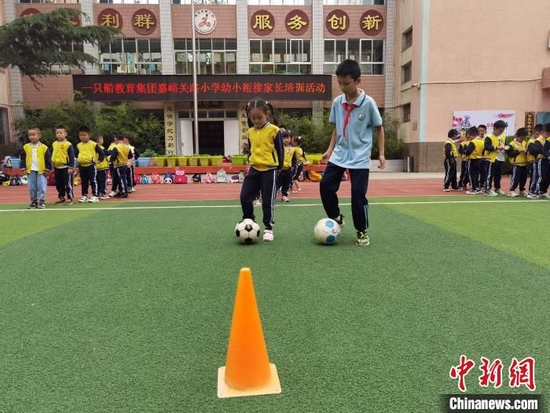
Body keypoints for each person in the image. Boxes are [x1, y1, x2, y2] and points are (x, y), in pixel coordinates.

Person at [320, 59, 386, 247]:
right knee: (325, 185)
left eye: (346, 83)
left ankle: (362, 230)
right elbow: (337, 128)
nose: (342, 87)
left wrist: (381, 153)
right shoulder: (337, 102)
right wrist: (329, 150)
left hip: (360, 156)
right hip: (340, 153)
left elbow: (379, 127)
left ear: (358, 81)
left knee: (357, 194)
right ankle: (336, 217)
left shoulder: (368, 103)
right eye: (339, 83)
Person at [239, 98, 284, 242]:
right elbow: (251, 149)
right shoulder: (250, 131)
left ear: (267, 114)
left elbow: (280, 150)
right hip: (254, 169)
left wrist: (280, 168)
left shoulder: (274, 130)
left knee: (267, 201)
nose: (257, 121)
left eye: (260, 117)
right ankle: (249, 220)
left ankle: (268, 228)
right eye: (253, 118)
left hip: (270, 170)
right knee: (245, 197)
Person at [20, 128, 52, 209]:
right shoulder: (26, 147)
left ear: (39, 136)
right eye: (30, 135)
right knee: (32, 187)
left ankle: (41, 201)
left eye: (33, 135)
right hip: (31, 170)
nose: (31, 137)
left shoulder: (44, 147)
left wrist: (48, 169)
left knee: (41, 186)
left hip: (41, 170)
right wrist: (23, 168)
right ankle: (34, 201)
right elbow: (23, 158)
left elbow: (48, 159)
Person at [75, 126, 104, 203]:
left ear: (89, 135)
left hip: (91, 165)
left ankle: (95, 195)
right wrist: (78, 162)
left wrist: (98, 161)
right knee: (84, 181)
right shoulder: (78, 145)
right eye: (80, 135)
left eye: (84, 135)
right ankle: (84, 195)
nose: (82, 137)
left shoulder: (93, 144)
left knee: (93, 181)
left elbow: (102, 153)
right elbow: (77, 154)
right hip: (82, 165)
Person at [51, 125, 75, 205]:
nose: (59, 134)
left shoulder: (68, 144)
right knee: (59, 183)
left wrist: (71, 167)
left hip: (66, 167)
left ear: (65, 134)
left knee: (67, 183)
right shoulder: (54, 144)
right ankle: (61, 197)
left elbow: (71, 156)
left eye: (61, 133)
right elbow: (53, 154)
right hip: (57, 167)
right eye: (57, 133)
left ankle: (69, 197)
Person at [484, 120, 507, 196]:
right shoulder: (489, 137)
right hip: (491, 158)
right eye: (500, 130)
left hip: (500, 158)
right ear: (494, 128)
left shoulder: (503, 136)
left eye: (503, 130)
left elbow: (506, 145)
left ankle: (497, 188)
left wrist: (507, 147)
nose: (501, 132)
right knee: (490, 175)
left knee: (498, 175)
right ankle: (488, 189)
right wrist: (496, 147)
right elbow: (486, 147)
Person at [109, 132, 133, 198]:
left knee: (122, 179)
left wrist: (110, 160)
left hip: (119, 165)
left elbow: (113, 156)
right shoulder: (127, 147)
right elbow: (130, 156)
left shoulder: (116, 147)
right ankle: (120, 191)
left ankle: (124, 192)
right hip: (124, 164)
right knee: (119, 179)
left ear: (116, 139)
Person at [506, 127, 528, 197]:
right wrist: (519, 151)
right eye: (521, 138)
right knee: (515, 178)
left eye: (524, 138)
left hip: (524, 163)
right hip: (516, 164)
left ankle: (522, 190)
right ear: (517, 136)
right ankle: (511, 190)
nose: (523, 140)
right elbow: (510, 154)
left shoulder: (525, 143)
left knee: (523, 178)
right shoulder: (512, 144)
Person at [465, 126, 484, 195]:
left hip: (473, 159)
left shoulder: (473, 142)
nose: (470, 137)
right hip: (480, 159)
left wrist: (465, 151)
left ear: (472, 135)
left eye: (470, 135)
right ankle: (477, 188)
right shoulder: (482, 141)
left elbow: (468, 151)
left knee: (471, 174)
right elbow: (483, 151)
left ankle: (474, 189)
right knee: (476, 174)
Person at [279, 130, 295, 202]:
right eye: (284, 138)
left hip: (288, 169)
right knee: (277, 183)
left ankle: (284, 195)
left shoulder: (293, 149)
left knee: (287, 183)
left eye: (287, 138)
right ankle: (271, 195)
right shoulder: (279, 148)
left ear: (291, 138)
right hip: (279, 169)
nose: (286, 140)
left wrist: (292, 167)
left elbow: (294, 159)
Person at [94, 135, 109, 200]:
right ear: (99, 141)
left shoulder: (92, 148)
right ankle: (103, 193)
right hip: (102, 167)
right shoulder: (102, 148)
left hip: (96, 167)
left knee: (97, 181)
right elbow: (108, 153)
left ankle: (97, 193)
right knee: (103, 181)